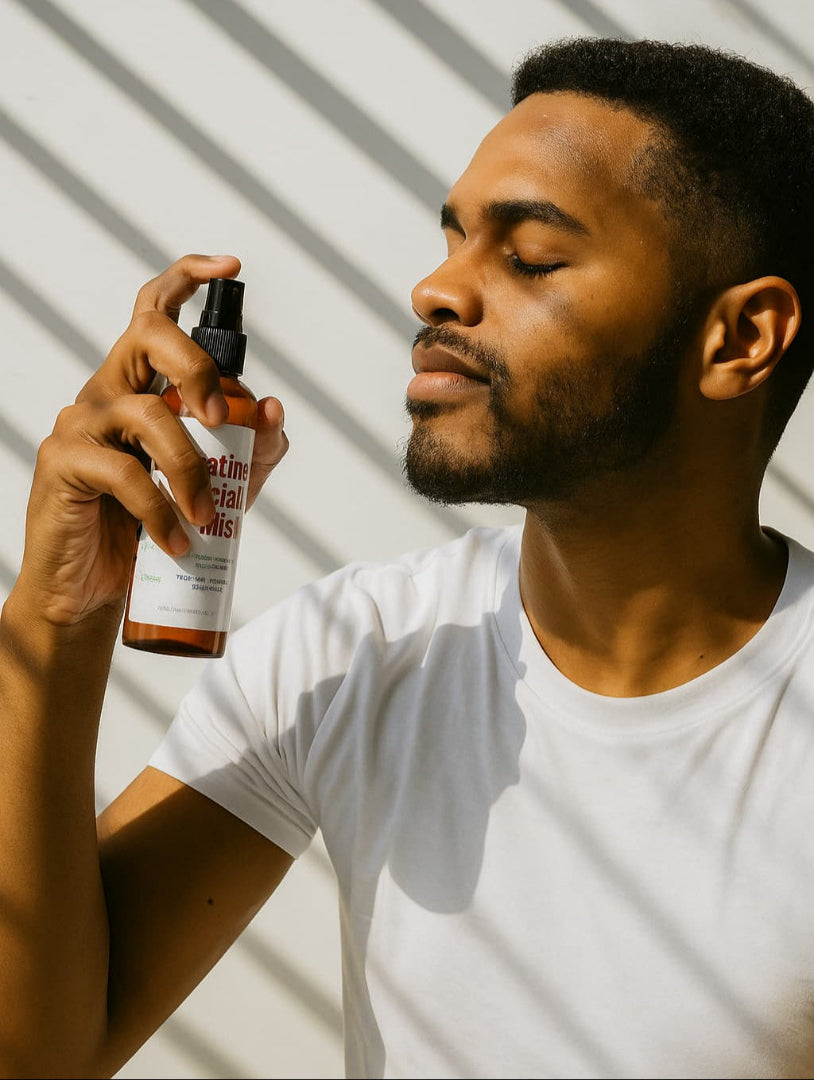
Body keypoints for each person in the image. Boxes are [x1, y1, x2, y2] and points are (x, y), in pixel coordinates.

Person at [1, 33, 814, 1079]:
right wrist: (54, 621)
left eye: (527, 258)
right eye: (452, 239)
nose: (436, 290)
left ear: (740, 338)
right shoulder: (351, 656)